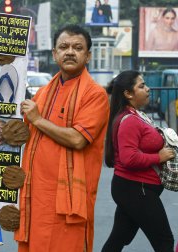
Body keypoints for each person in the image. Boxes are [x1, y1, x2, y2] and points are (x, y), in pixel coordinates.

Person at [15, 24, 110, 252]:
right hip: (36, 194)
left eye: (78, 48)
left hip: (67, 201)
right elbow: (20, 131)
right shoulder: (44, 91)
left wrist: (37, 119)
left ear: (87, 56)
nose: (70, 52)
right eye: (64, 47)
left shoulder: (95, 94)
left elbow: (78, 139)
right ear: (55, 54)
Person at [102, 70, 175, 252]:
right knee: (164, 241)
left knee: (118, 239)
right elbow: (129, 158)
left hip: (133, 188)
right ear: (128, 93)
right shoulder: (130, 121)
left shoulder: (136, 115)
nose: (148, 89)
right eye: (141, 86)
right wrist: (159, 157)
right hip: (135, 189)